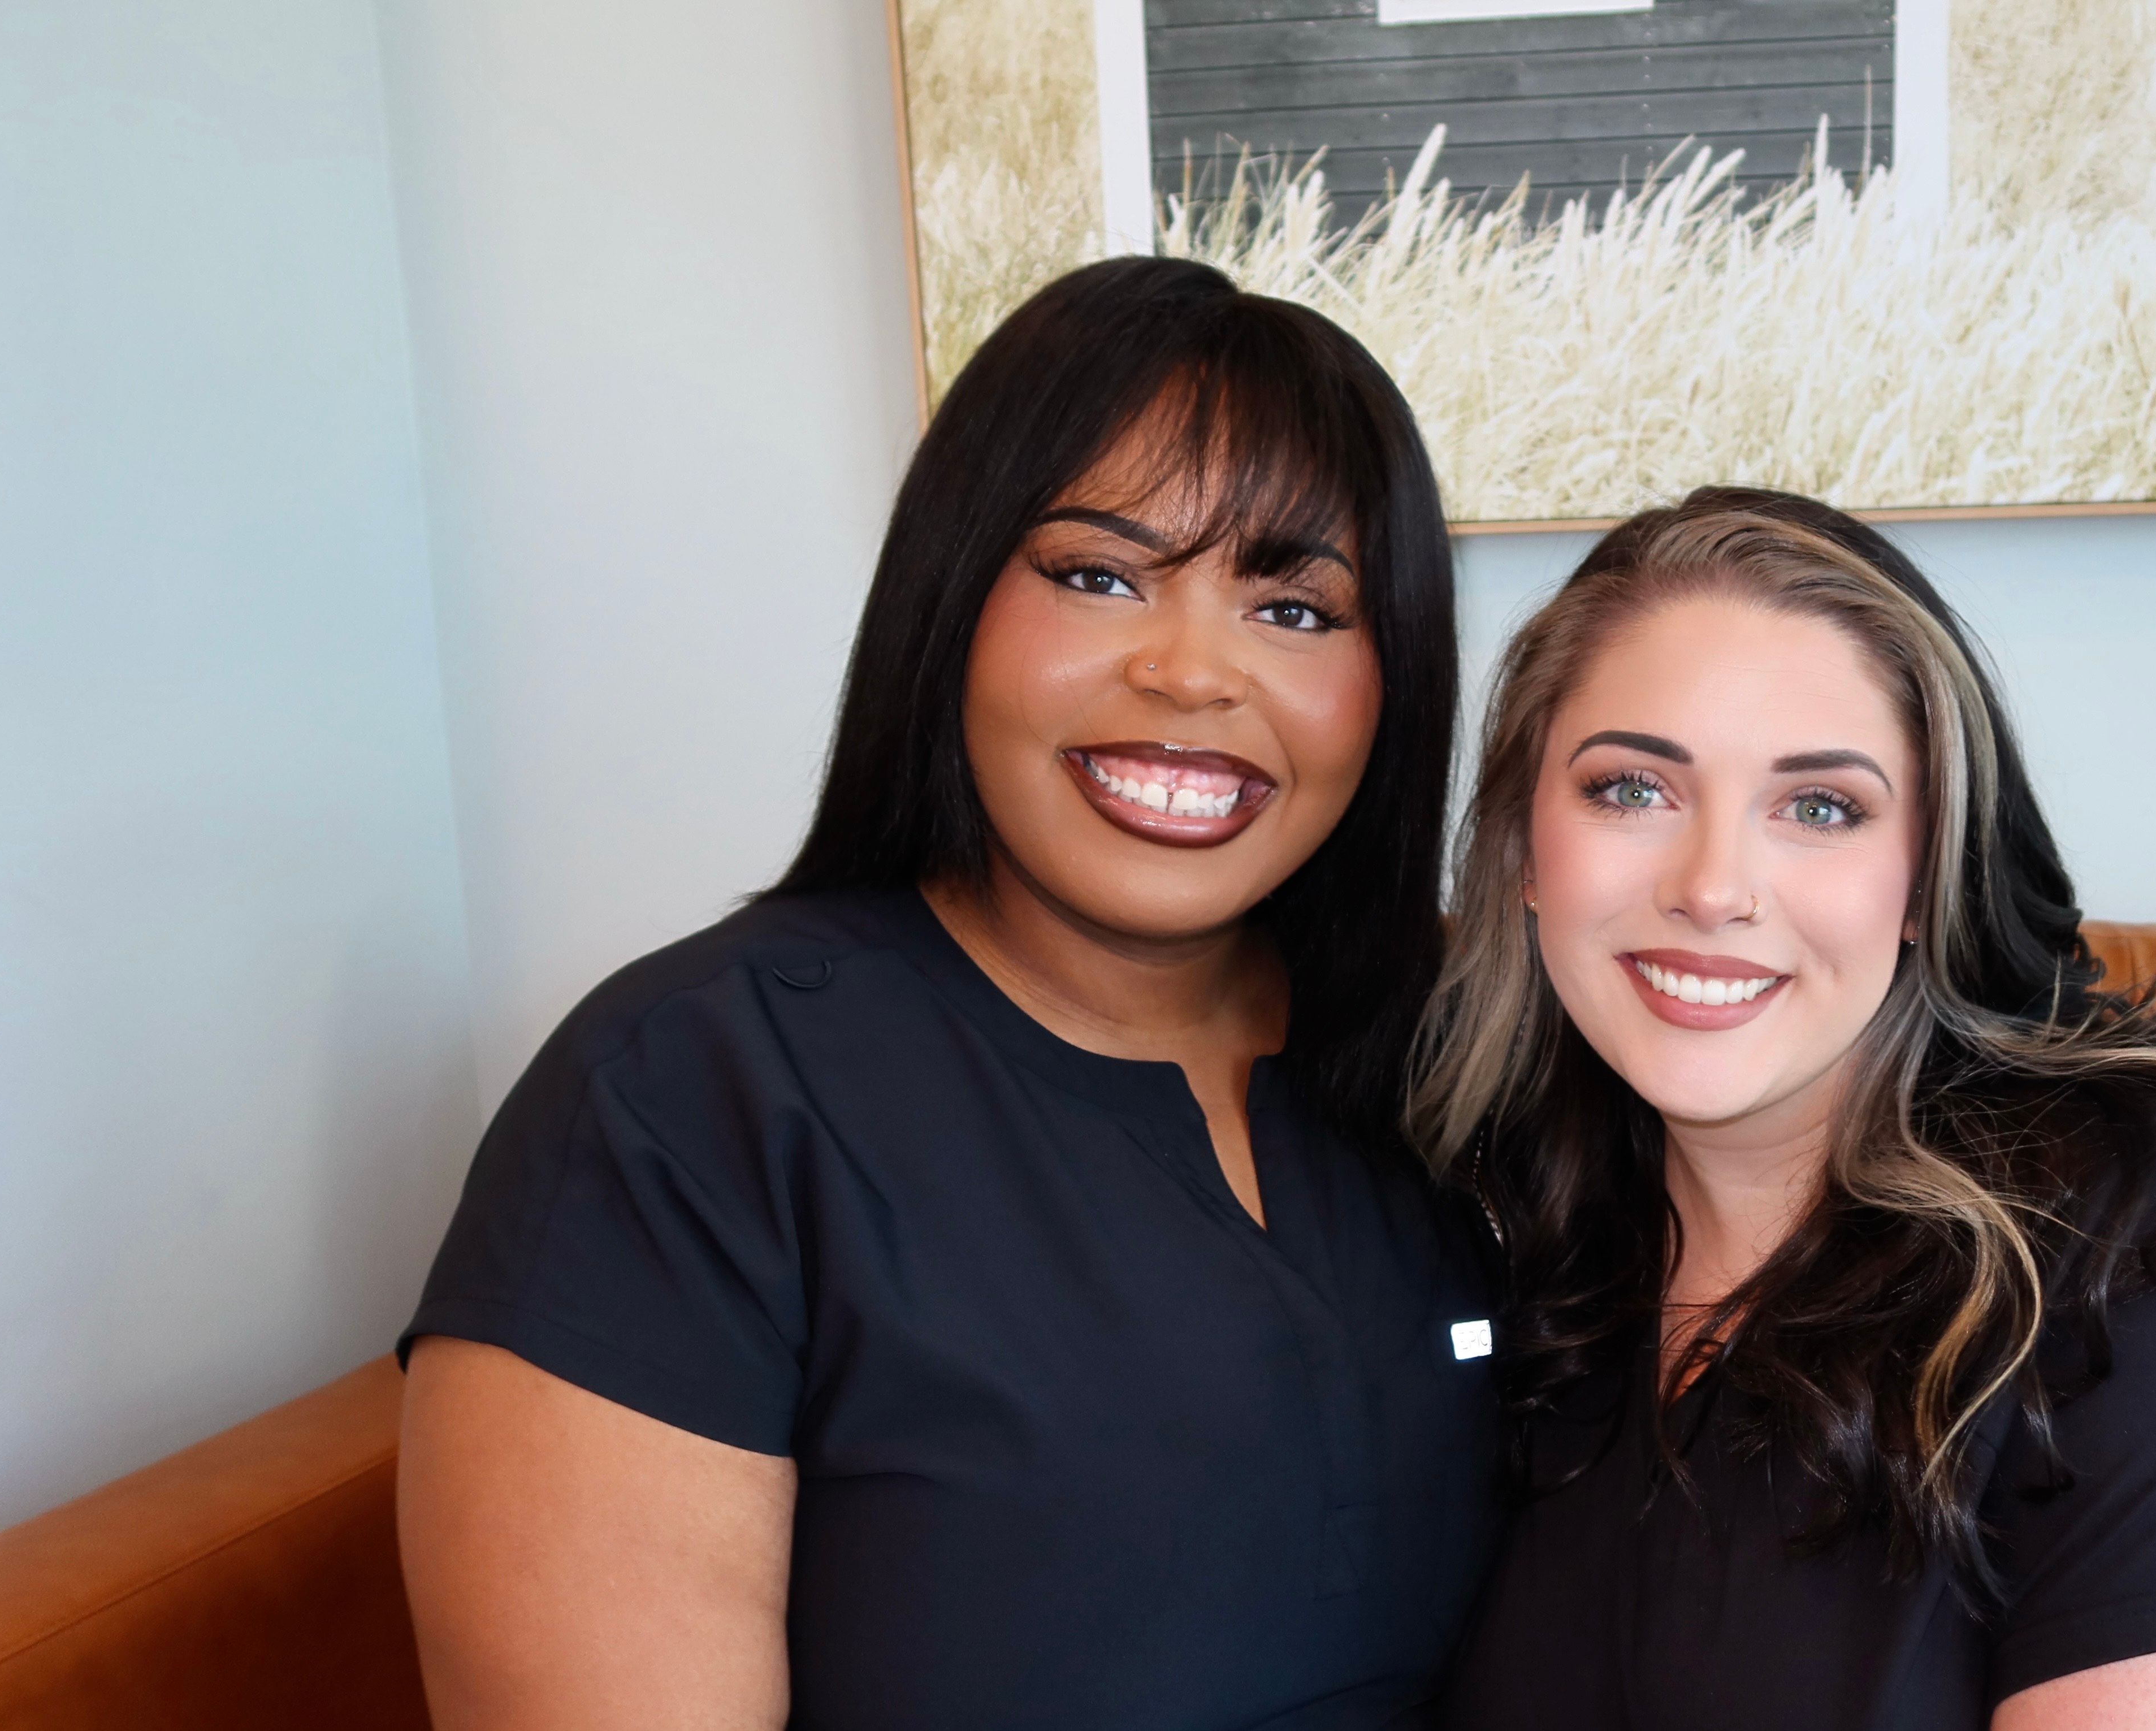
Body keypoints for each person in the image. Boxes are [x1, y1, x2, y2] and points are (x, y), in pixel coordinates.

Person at [395, 258, 1498, 1730]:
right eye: (1098, 575)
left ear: (1394, 676)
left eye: (1296, 608)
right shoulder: (686, 1098)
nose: (1192, 672)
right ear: (951, 600)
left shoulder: (1473, 1053)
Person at [1410, 488, 2156, 1730]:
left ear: (1927, 879)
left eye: (1820, 808)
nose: (1713, 888)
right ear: (1523, 850)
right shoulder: (1498, 1222)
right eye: (1633, 788)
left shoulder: (2153, 1231)